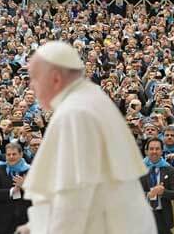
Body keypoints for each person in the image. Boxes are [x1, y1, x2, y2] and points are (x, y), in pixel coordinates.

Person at [19, 41, 157, 234]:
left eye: (34, 78)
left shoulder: (75, 112)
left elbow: (75, 194)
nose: (31, 87)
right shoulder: (88, 98)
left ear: (56, 78)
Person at [0, 143, 31, 234]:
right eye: (8, 154)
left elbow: (38, 194)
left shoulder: (30, 171)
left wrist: (25, 187)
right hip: (3, 218)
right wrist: (13, 191)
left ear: (21, 154)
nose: (11, 157)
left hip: (25, 219)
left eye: (14, 154)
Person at [140, 138, 174, 234]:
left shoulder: (169, 169)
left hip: (163, 216)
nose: (154, 151)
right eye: (151, 149)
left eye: (157, 149)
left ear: (162, 151)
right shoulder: (139, 169)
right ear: (147, 151)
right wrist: (148, 194)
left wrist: (163, 192)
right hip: (144, 214)